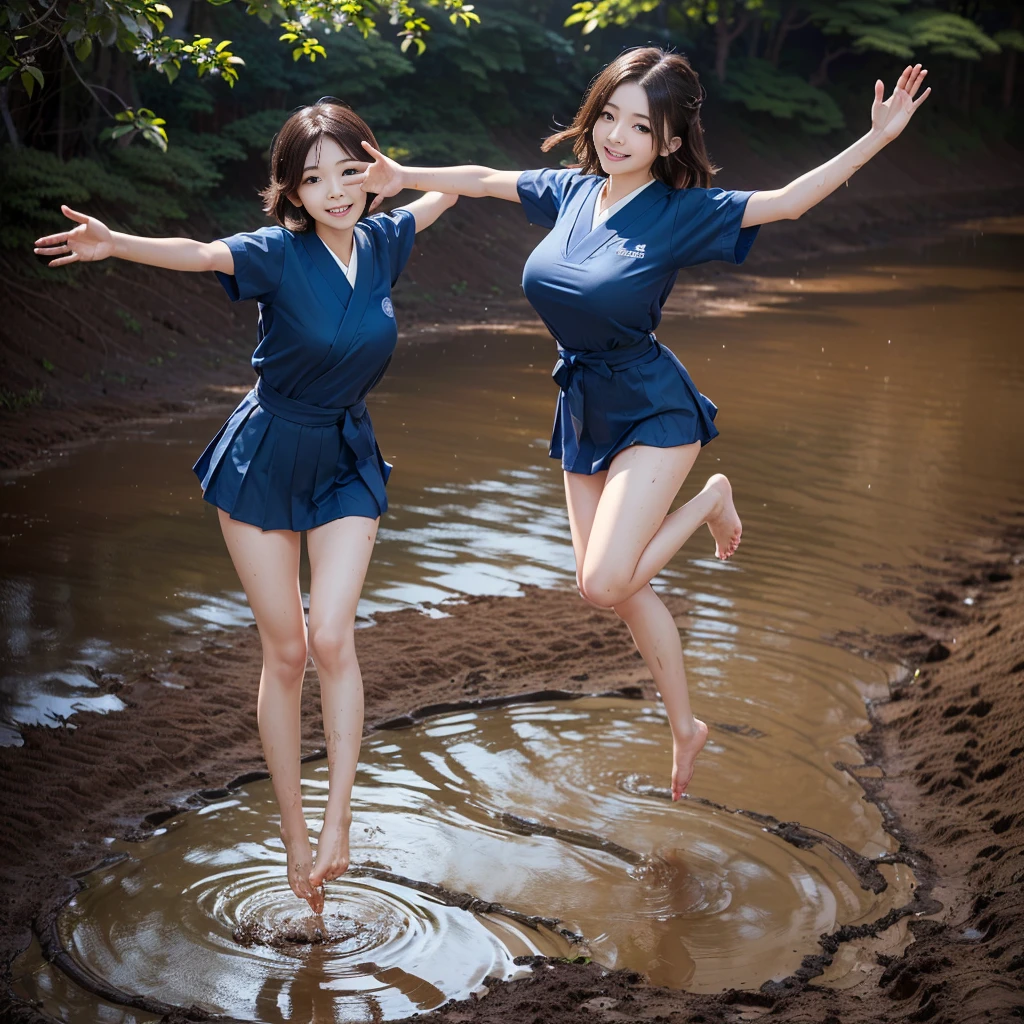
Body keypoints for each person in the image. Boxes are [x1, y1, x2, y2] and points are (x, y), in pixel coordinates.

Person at [353, 48, 930, 801]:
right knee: (623, 591)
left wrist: (880, 138)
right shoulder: (571, 191)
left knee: (602, 583)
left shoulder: (680, 211)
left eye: (640, 127)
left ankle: (709, 497)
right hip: (584, 406)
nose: (617, 138)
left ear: (668, 142)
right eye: (609, 119)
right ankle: (685, 725)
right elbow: (486, 180)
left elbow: (789, 201)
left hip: (654, 409)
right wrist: (404, 176)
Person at [33, 98, 458, 913]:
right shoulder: (275, 253)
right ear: (291, 193)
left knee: (333, 635)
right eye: (314, 178)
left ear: (371, 174)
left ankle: (339, 827)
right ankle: (295, 839)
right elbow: (197, 253)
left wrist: (434, 179)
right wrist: (114, 242)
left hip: (345, 457)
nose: (335, 191)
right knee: (288, 653)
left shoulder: (384, 240)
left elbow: (447, 196)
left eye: (348, 172)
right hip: (265, 455)